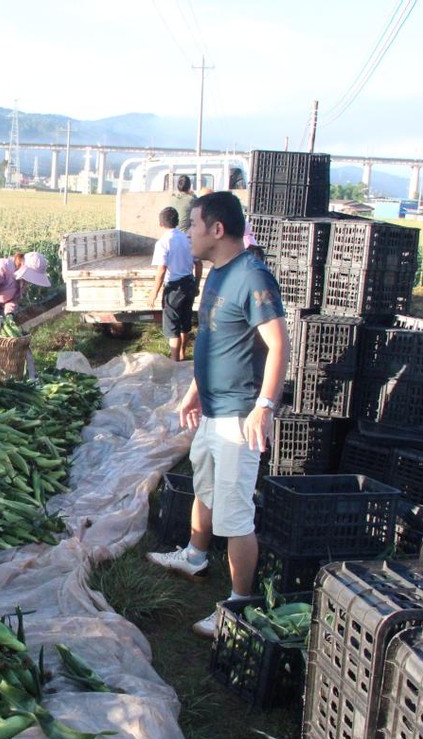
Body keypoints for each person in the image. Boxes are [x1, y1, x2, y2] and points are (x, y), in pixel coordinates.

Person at [146, 191, 290, 639]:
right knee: (204, 488)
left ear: (217, 229)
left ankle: (239, 605)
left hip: (238, 416)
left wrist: (263, 406)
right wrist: (194, 391)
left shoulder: (252, 276)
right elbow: (213, 342)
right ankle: (194, 555)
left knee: (234, 513)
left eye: (193, 225)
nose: (188, 233)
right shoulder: (217, 274)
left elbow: (280, 344)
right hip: (212, 410)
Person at [147, 206, 202, 361]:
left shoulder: (163, 242)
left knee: (173, 328)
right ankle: (183, 354)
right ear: (178, 221)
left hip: (174, 288)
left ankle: (174, 362)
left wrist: (154, 294)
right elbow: (198, 264)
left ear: (160, 224)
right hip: (188, 284)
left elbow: (162, 270)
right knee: (185, 324)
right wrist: (196, 285)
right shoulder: (187, 239)